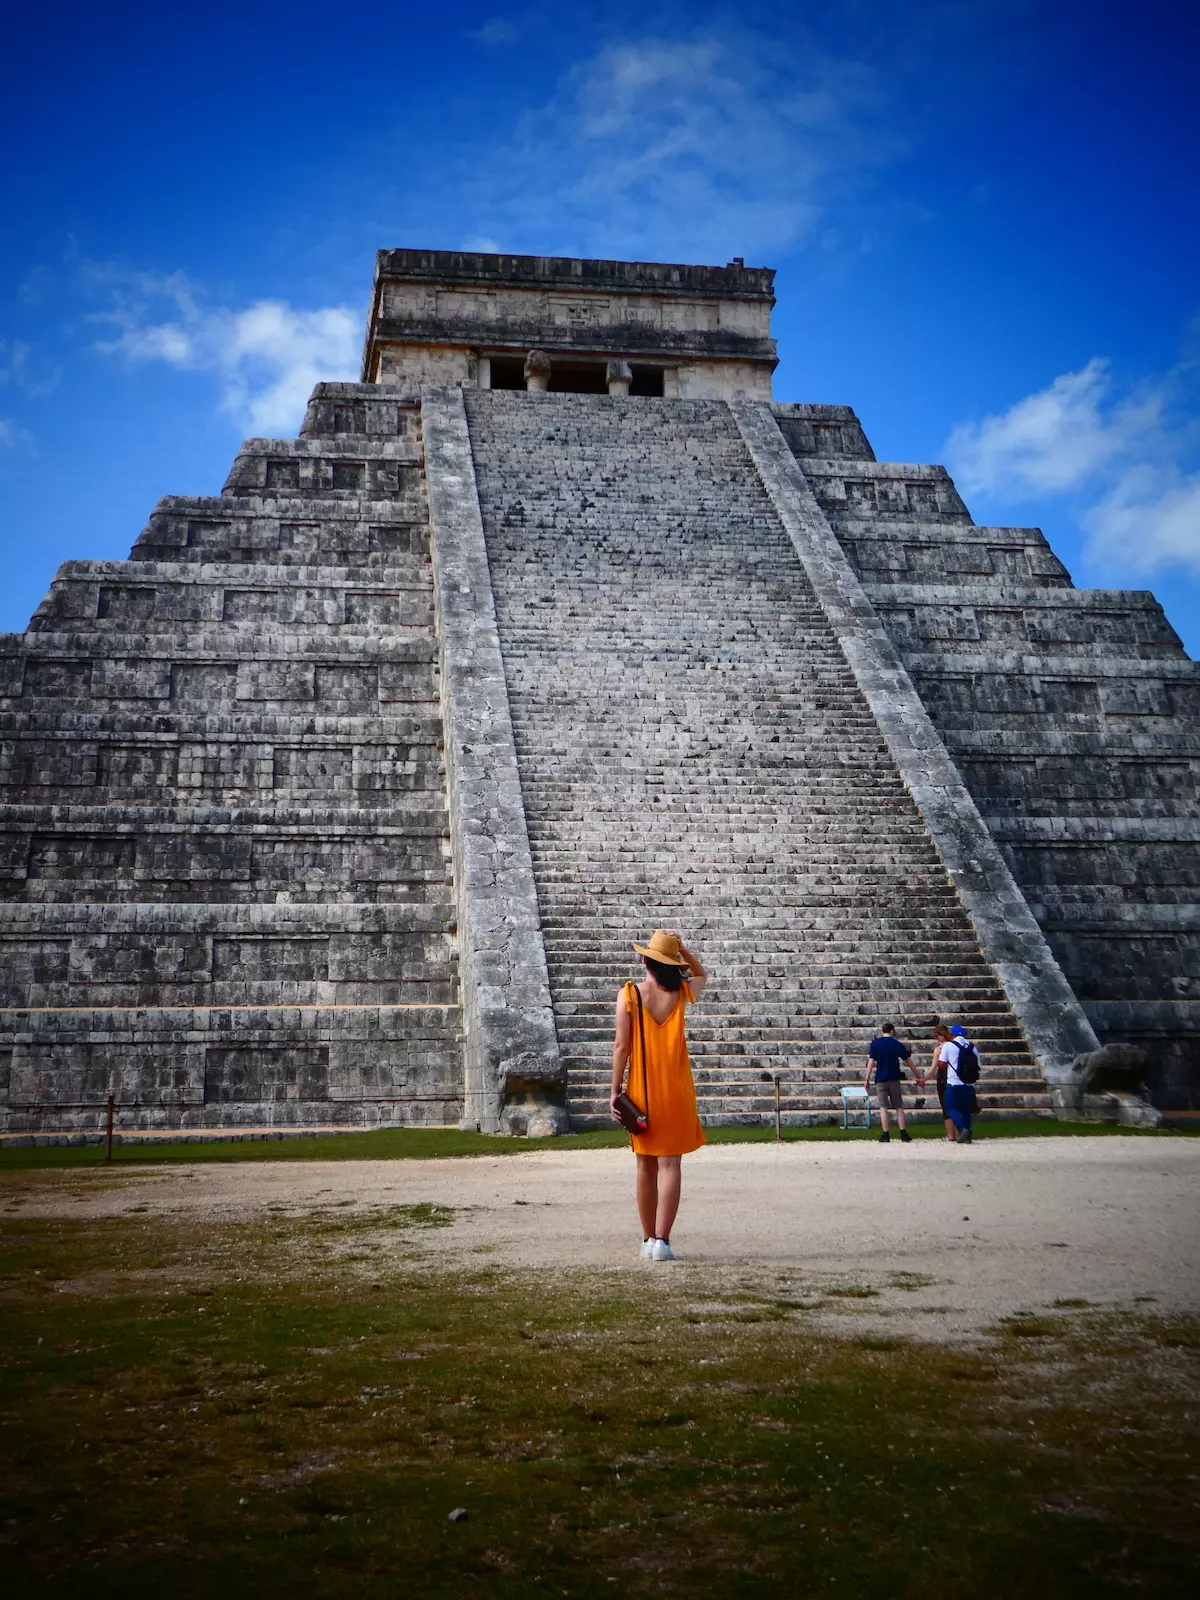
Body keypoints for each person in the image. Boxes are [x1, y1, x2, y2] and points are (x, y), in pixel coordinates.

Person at [610, 929, 707, 1261]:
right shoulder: (680, 992)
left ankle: (646, 1238)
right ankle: (662, 1242)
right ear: (671, 962)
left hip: (643, 1089)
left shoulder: (630, 994)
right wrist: (683, 949)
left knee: (645, 1168)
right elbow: (701, 974)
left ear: (644, 959)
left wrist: (615, 1091)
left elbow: (622, 1046)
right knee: (671, 1165)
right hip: (677, 1089)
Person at [864, 1023, 913, 1143]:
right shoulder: (896, 1044)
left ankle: (885, 1133)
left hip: (881, 1078)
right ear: (892, 1031)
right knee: (898, 1106)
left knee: (883, 1107)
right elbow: (908, 1061)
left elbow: (871, 1062)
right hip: (894, 1078)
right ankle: (903, 1132)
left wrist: (867, 1078)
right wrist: (918, 1075)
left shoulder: (875, 1044)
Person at [932, 1023, 979, 1145]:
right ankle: (967, 1134)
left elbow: (942, 1064)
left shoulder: (949, 1045)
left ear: (952, 1034)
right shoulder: (972, 1047)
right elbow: (978, 1065)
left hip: (953, 1082)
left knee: (950, 1108)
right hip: (968, 1084)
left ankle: (962, 1129)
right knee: (965, 1110)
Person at [927, 1024, 957, 1142]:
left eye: (936, 1035)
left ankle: (951, 1134)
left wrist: (925, 1078)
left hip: (943, 1078)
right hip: (956, 1077)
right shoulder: (955, 1046)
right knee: (956, 1105)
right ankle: (960, 1132)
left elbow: (934, 1067)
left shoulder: (939, 1049)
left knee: (946, 1106)